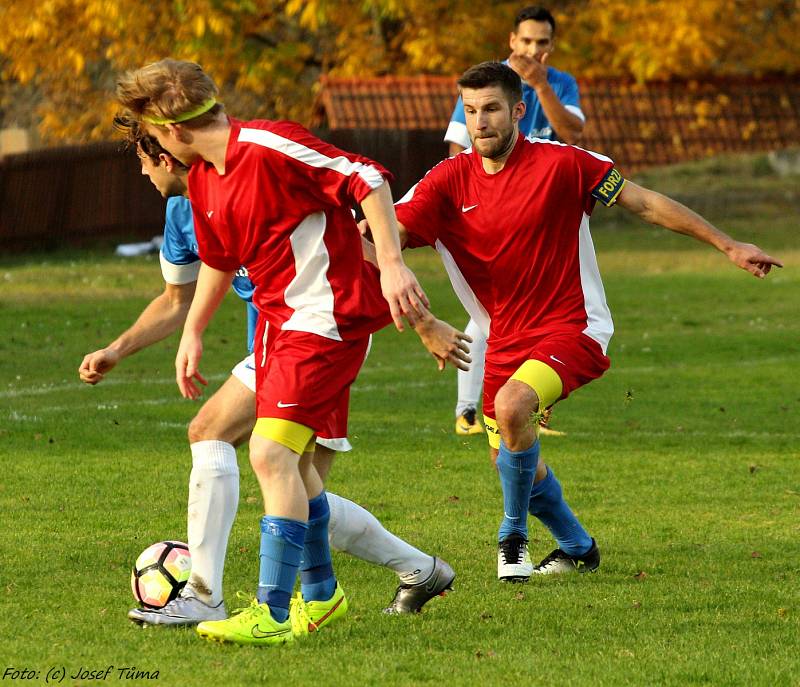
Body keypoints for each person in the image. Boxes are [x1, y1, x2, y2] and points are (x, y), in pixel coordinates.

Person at [116, 58, 471, 646]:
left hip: (325, 322)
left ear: (174, 131)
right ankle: (323, 594)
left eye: (152, 136)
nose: (156, 149)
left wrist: (392, 266)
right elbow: (222, 258)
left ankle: (273, 613)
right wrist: (193, 330)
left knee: (269, 455)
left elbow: (370, 180)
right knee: (296, 468)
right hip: (280, 327)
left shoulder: (271, 145)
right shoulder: (204, 179)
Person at [390, 61, 781, 582]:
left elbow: (642, 202)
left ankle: (512, 539)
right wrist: (421, 322)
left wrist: (728, 244)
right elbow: (374, 244)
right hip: (502, 338)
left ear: (518, 112)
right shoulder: (444, 183)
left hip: (574, 325)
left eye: (491, 109)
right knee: (510, 454)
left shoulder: (564, 163)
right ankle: (578, 547)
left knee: (511, 408)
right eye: (470, 110)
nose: (479, 122)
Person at [446, 6, 583, 436]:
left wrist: (542, 87)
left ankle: (529, 412)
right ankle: (468, 410)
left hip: (544, 218)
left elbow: (572, 133)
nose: (533, 50)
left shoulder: (559, 84)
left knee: (543, 314)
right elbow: (459, 150)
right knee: (490, 314)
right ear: (512, 40)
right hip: (494, 215)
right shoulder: (488, 83)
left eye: (542, 43)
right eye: (526, 41)